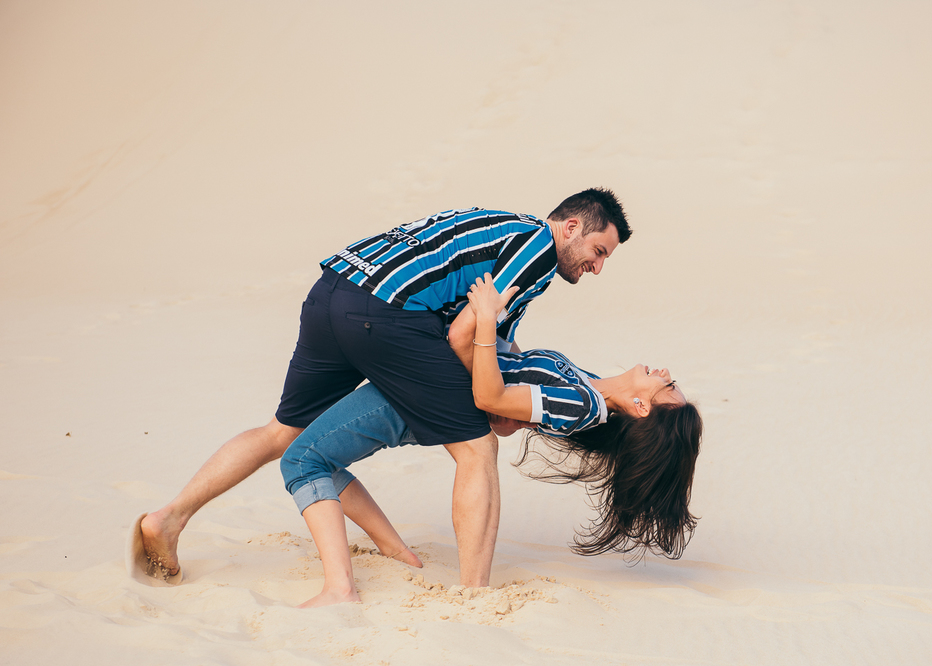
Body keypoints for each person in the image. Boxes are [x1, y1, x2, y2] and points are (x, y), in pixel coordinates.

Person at [130, 189, 632, 586]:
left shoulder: (502, 226)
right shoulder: (538, 250)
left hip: (334, 291)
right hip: (385, 314)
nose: (598, 266)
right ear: (570, 228)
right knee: (476, 449)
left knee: (282, 431)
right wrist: (490, 405)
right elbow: (463, 334)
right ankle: (475, 592)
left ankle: (168, 518)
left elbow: (496, 337)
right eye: (597, 250)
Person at [279, 275, 702, 607]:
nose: (665, 373)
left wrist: (482, 321)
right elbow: (510, 386)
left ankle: (340, 589)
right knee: (320, 459)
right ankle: (396, 552)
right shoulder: (587, 387)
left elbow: (492, 396)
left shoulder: (584, 405)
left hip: (420, 395)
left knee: (302, 462)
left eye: (669, 386)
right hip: (427, 387)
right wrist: (500, 318)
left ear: (643, 408)